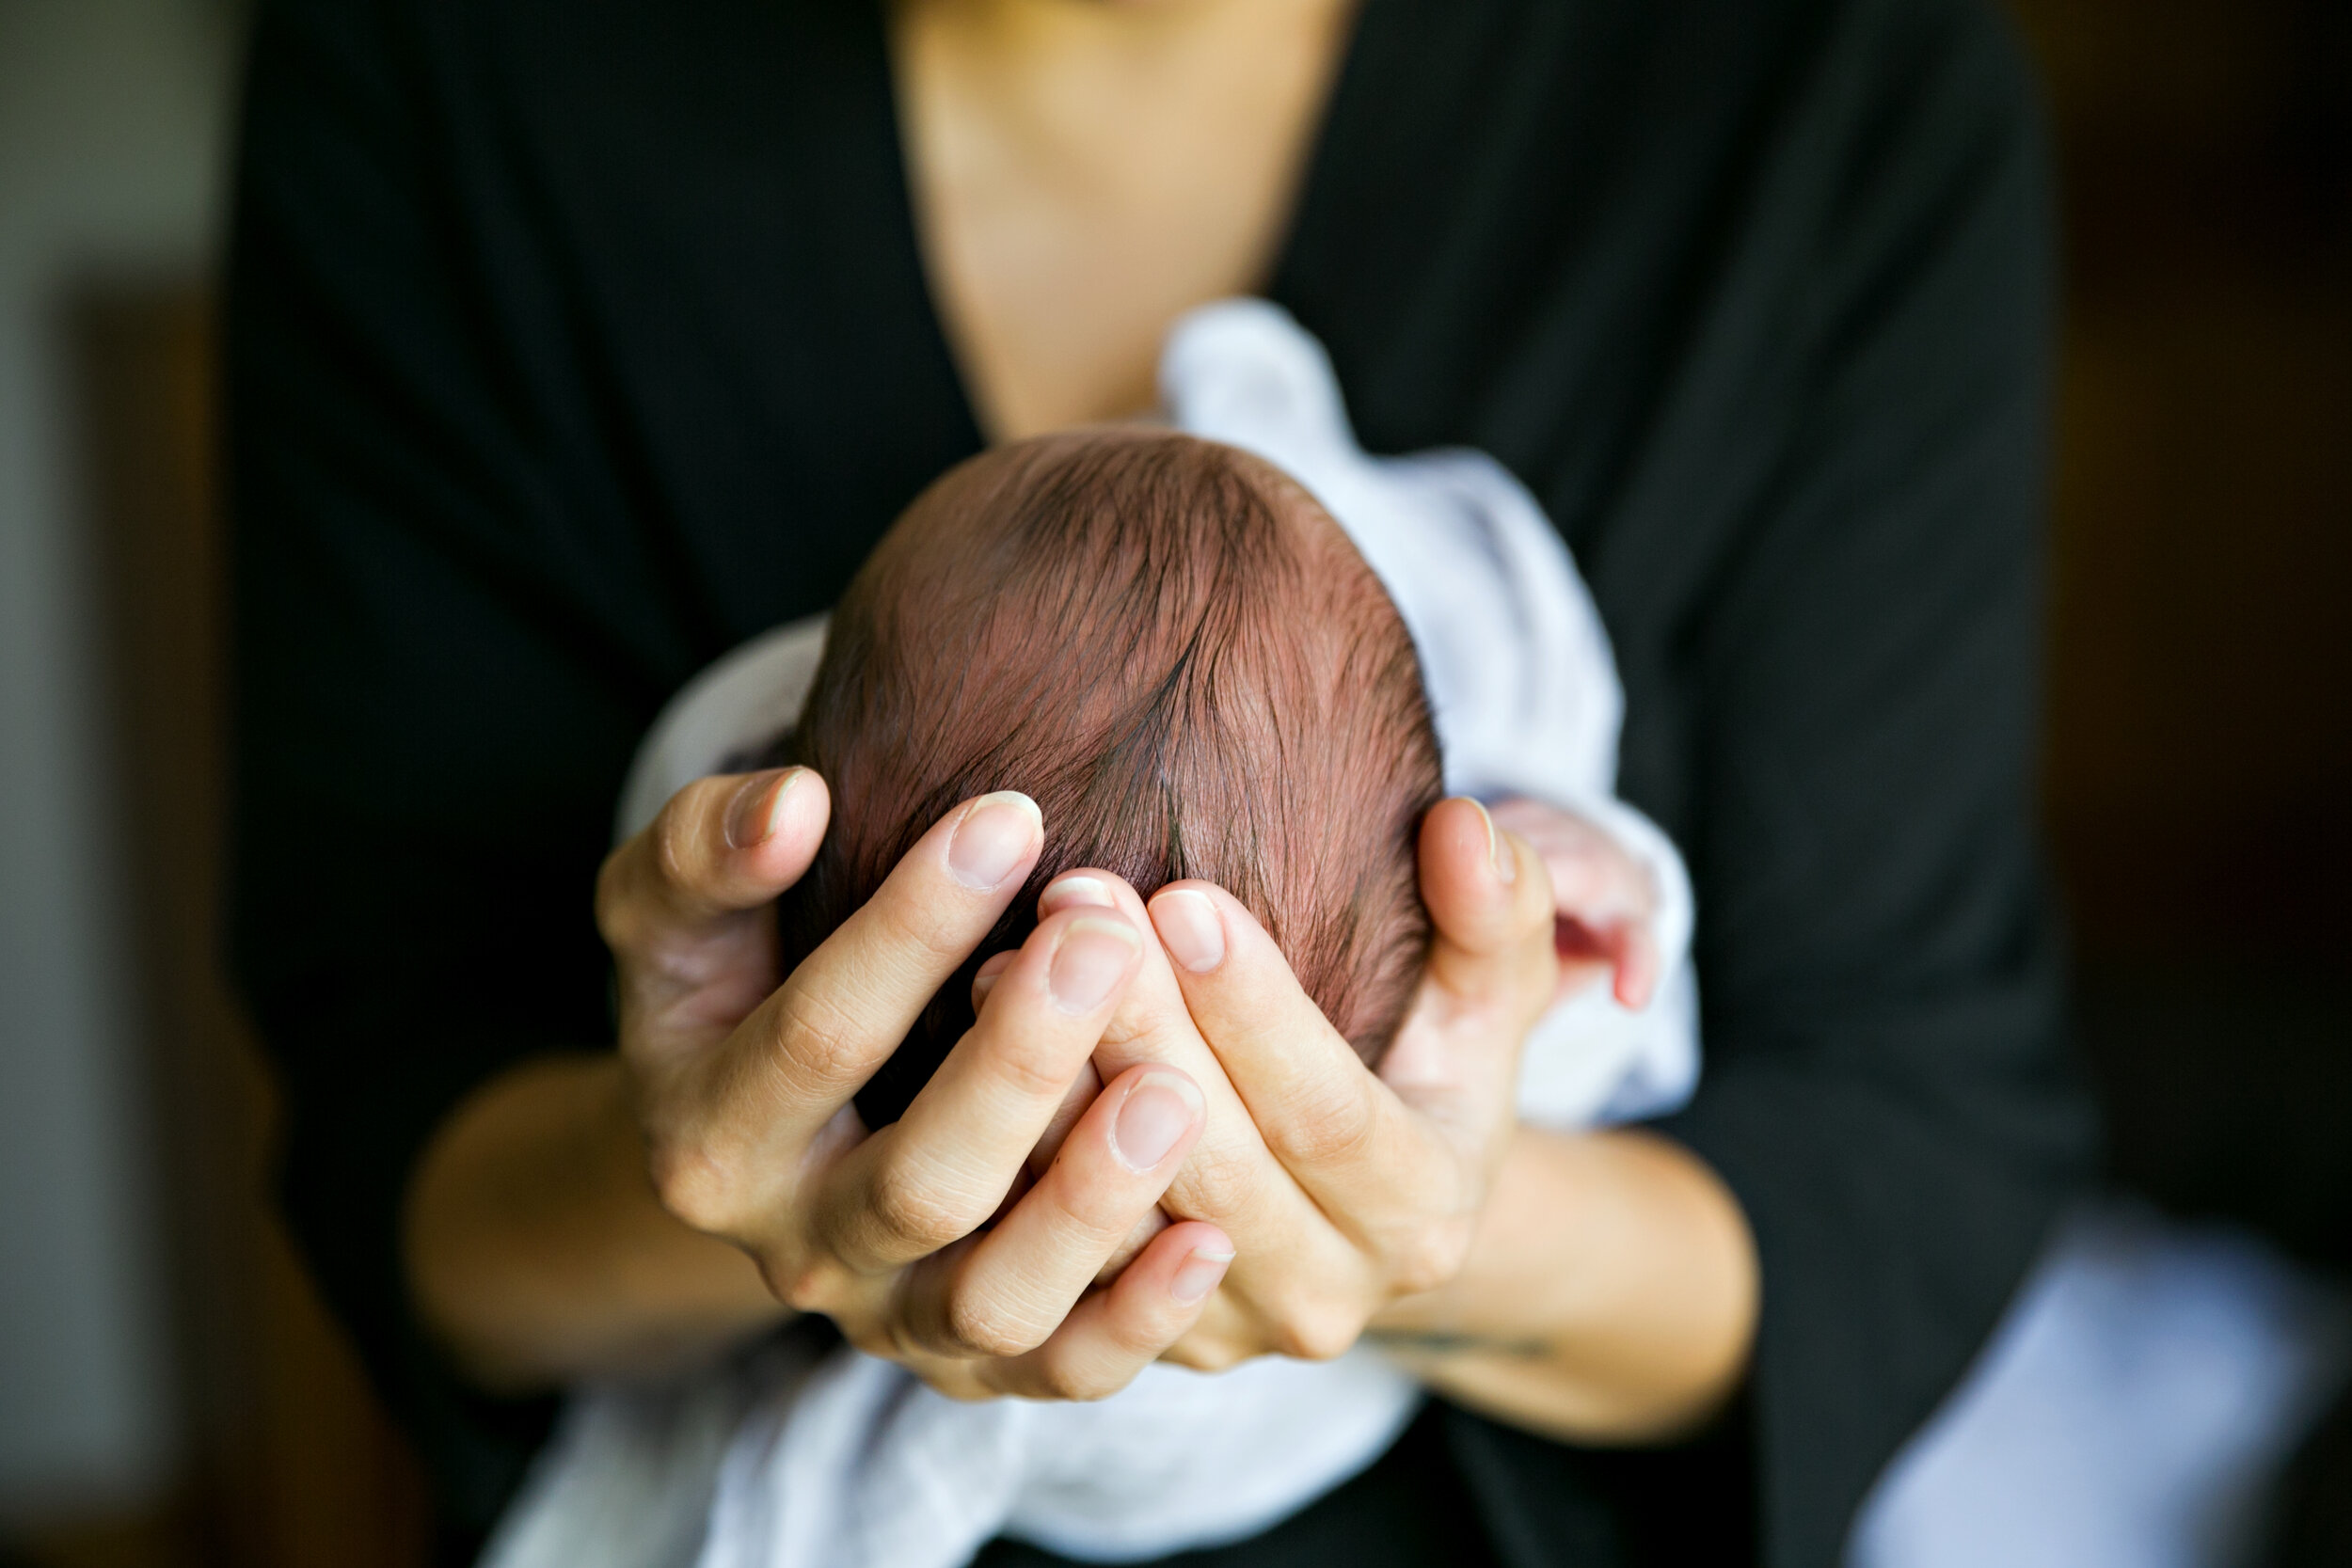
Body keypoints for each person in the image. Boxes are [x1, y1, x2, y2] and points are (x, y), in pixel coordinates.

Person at [226, 0, 2093, 1563]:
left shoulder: (1820, 87)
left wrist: (1433, 1212)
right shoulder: (449, 72)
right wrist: (756, 1168)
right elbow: (398, 1116)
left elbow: (1905, 1142)